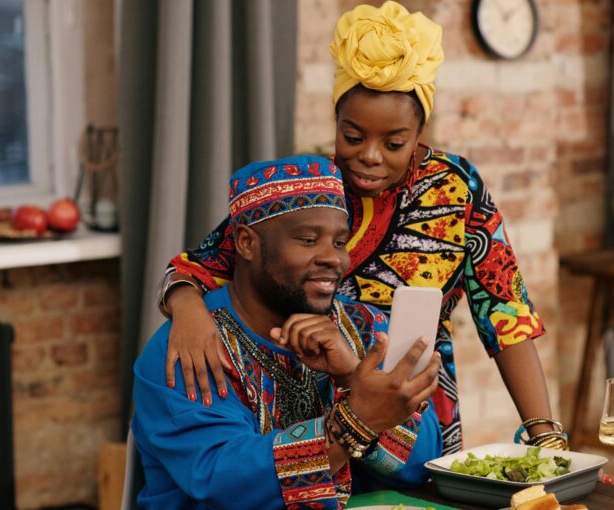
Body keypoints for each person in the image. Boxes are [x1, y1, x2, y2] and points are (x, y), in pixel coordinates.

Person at [157, 1, 566, 455]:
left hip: (414, 416)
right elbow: (206, 262)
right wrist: (187, 309)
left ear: (418, 133)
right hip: (310, 409)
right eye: (353, 137)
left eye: (393, 143)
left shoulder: (456, 190)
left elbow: (507, 314)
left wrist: (545, 434)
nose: (370, 156)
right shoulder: (313, 190)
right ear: (336, 123)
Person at [133, 155, 442, 509]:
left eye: (339, 242)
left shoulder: (366, 328)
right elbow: (222, 480)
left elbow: (424, 465)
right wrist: (356, 422)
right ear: (247, 243)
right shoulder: (189, 347)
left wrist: (352, 376)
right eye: (309, 240)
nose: (333, 258)